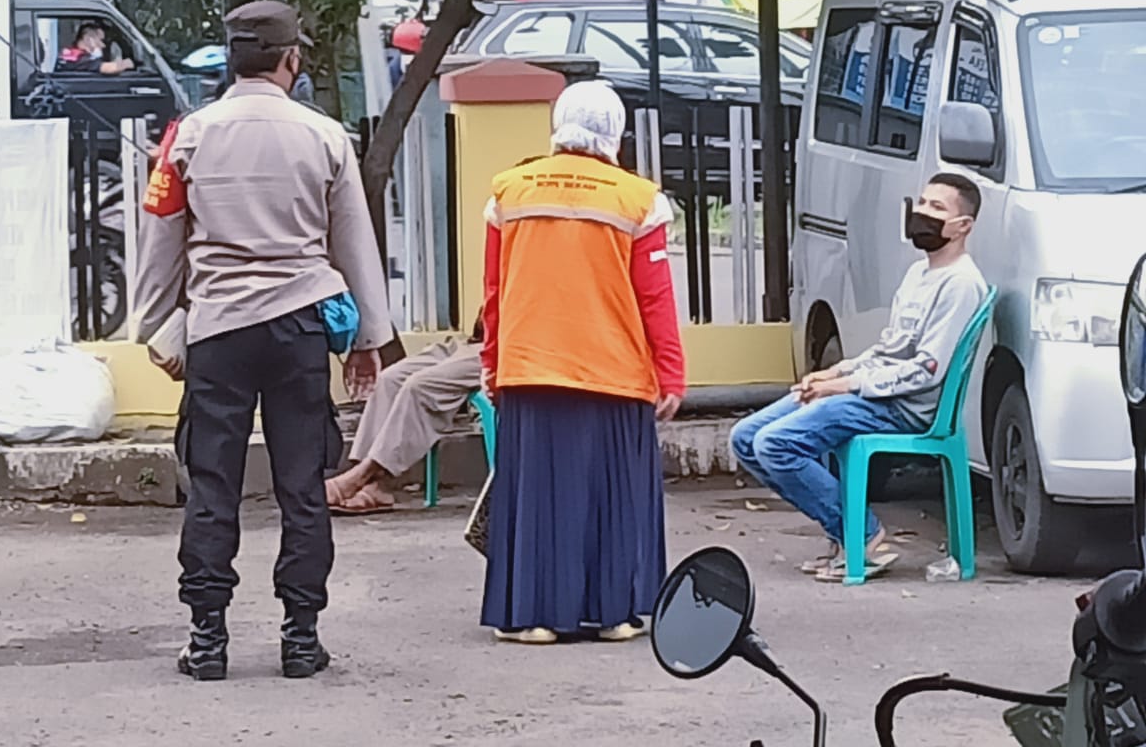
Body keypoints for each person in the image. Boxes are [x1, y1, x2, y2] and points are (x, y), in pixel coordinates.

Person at [131, 0, 390, 682]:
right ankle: (300, 638)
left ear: (231, 59)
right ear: (291, 60)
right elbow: (353, 245)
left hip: (218, 330)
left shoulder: (188, 135)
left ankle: (208, 638)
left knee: (212, 486)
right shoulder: (325, 135)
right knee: (302, 486)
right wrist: (368, 335)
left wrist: (157, 327)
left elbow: (162, 239)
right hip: (300, 326)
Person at [480, 80, 686, 645]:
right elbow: (655, 297)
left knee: (540, 493)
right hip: (614, 367)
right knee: (612, 491)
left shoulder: (509, 192)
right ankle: (615, 613)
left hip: (530, 364)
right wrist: (670, 372)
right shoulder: (638, 198)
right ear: (614, 131)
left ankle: (535, 617)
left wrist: (493, 364)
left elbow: (494, 292)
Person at [731, 173, 987, 582]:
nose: (922, 213)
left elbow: (926, 369)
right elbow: (889, 348)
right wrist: (837, 370)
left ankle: (863, 536)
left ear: (963, 226)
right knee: (745, 438)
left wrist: (846, 385)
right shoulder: (918, 274)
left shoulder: (960, 285)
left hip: (903, 408)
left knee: (776, 444)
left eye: (937, 208)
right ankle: (843, 533)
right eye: (921, 202)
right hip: (874, 392)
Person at [325, 315, 485, 514]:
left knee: (419, 386)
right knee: (389, 379)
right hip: (477, 340)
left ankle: (361, 475)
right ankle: (376, 486)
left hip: (507, 349)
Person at [57, 22, 133, 75]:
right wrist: (128, 62)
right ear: (88, 39)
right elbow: (110, 69)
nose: (103, 45)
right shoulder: (82, 59)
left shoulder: (70, 54)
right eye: (101, 40)